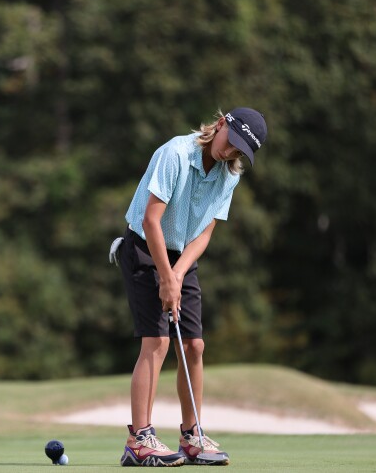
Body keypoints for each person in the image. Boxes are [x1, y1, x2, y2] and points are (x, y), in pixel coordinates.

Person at [112, 107, 268, 467]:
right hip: (143, 247)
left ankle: (192, 436)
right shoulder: (175, 154)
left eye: (241, 150)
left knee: (194, 345)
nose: (231, 152)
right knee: (158, 341)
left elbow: (206, 230)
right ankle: (139, 439)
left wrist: (178, 274)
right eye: (232, 142)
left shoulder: (230, 174)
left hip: (182, 255)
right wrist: (165, 277)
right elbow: (151, 220)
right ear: (221, 125)